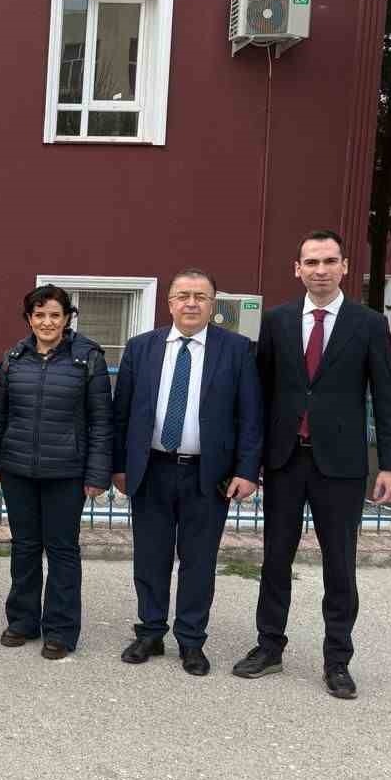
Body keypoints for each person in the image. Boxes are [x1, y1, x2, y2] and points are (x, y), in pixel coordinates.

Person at [233, 229, 391, 699]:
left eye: (330, 261)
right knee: (274, 559)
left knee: (339, 566)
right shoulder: (278, 320)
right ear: (297, 269)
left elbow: (384, 397)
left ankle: (338, 660)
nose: (321, 270)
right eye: (312, 262)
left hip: (342, 466)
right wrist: (251, 461)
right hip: (286, 461)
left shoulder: (367, 324)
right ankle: (269, 646)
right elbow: (260, 395)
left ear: (345, 267)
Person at [111, 268, 264, 676]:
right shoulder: (141, 347)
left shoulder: (236, 350)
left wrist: (248, 470)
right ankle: (150, 632)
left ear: (213, 305)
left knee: (198, 562)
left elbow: (251, 416)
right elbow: (121, 413)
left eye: (200, 296)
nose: (191, 303)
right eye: (183, 296)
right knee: (150, 557)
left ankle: (192, 641)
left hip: (207, 476)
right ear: (170, 302)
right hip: (152, 470)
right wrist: (119, 466)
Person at [0, 285, 112, 659]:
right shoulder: (14, 359)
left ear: (67, 318)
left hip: (66, 472)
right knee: (24, 547)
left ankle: (61, 630)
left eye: (55, 314)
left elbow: (102, 422)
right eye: (39, 315)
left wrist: (97, 474)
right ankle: (22, 621)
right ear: (29, 319)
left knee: (62, 550)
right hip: (18, 468)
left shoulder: (88, 359)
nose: (47, 322)